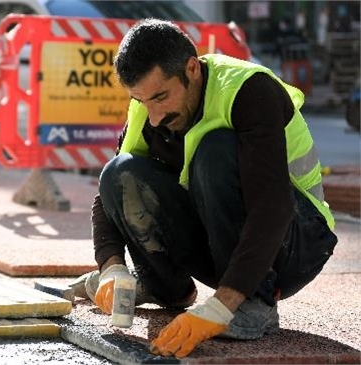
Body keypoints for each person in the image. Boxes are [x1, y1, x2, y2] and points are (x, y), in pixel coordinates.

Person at [72, 19, 338, 358]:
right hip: (225, 246)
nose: (153, 116)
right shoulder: (148, 107)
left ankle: (253, 303)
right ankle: (163, 286)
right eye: (141, 100)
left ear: (192, 69)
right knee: (121, 171)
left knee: (214, 149)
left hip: (295, 243)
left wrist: (224, 305)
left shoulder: (249, 91)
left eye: (161, 97)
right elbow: (112, 191)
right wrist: (110, 266)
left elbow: (272, 207)